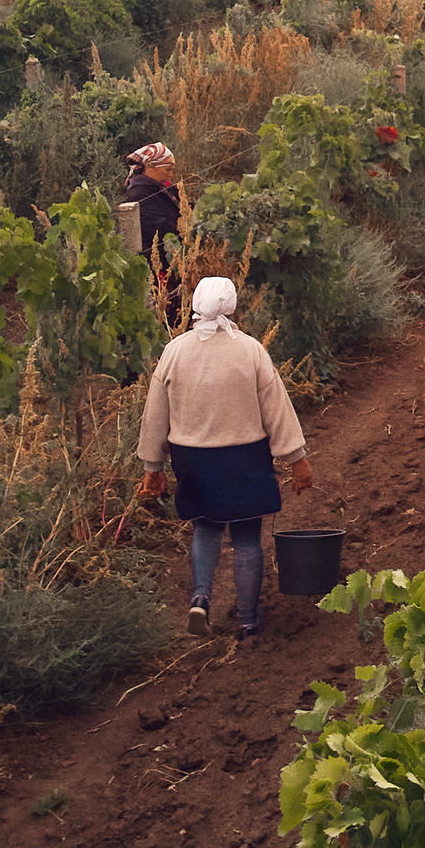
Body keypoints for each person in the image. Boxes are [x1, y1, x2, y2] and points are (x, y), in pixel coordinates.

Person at [136, 276, 312, 641]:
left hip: (192, 460)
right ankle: (248, 620)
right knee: (247, 538)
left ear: (197, 305)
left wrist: (152, 467)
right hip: (243, 457)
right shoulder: (249, 351)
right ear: (231, 306)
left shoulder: (174, 352)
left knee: (205, 527)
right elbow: (276, 407)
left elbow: (155, 414)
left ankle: (200, 597)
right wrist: (296, 458)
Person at [122, 142, 184, 323]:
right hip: (156, 263)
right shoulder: (139, 193)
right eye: (168, 168)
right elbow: (159, 228)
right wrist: (183, 228)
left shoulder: (161, 188)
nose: (171, 174)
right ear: (151, 166)